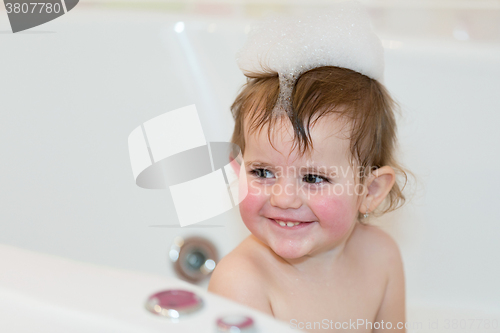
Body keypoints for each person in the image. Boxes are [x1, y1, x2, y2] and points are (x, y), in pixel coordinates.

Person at [208, 3, 410, 332]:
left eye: (313, 177)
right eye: (262, 172)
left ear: (369, 191)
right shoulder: (243, 282)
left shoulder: (381, 257)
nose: (283, 199)